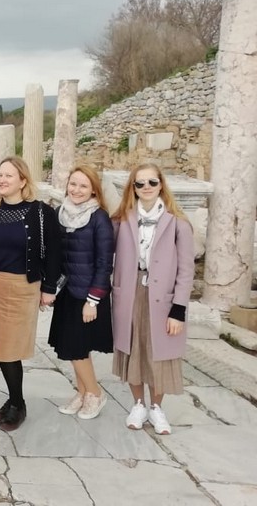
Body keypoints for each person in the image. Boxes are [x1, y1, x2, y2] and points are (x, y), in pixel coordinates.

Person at [0, 156, 61, 431]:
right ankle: (14, 400)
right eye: (0, 175)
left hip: (23, 287)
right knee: (2, 347)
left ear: (23, 181)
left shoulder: (41, 212)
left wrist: (49, 288)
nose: (2, 180)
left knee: (11, 347)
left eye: (9, 175)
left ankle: (17, 403)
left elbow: (54, 252)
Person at [111, 164, 194, 435]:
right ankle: (138, 404)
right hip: (131, 290)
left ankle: (157, 407)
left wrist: (178, 309)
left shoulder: (178, 222)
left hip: (163, 296)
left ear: (161, 185)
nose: (146, 187)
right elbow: (101, 248)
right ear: (132, 188)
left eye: (152, 182)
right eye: (140, 183)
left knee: (159, 352)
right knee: (133, 347)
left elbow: (186, 269)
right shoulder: (122, 219)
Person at [47, 165, 115, 420]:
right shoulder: (59, 213)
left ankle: (95, 394)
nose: (76, 190)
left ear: (94, 190)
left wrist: (93, 300)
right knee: (71, 347)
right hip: (66, 293)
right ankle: (83, 392)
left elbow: (104, 263)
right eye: (73, 184)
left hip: (87, 295)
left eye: (83, 186)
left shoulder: (99, 218)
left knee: (76, 349)